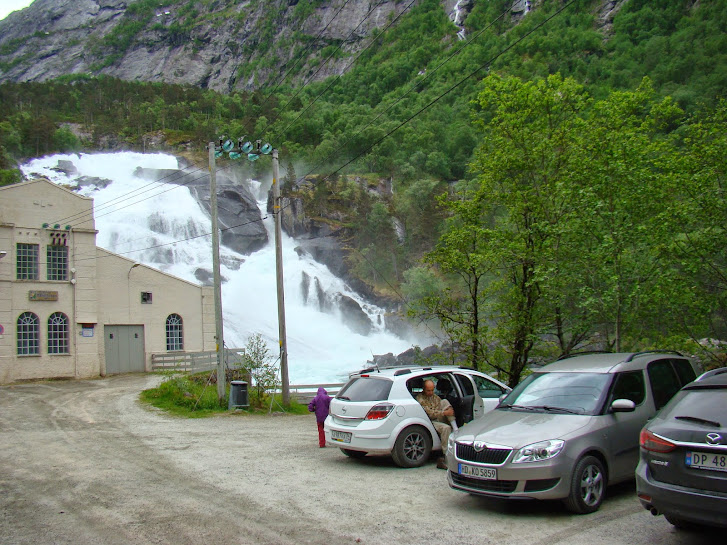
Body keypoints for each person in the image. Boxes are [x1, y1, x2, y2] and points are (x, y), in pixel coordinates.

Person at [416, 379, 456, 469]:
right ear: (423, 389)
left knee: (445, 402)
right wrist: (444, 413)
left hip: (439, 417)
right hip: (430, 421)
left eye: (432, 390)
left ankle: (455, 427)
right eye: (428, 390)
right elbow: (429, 413)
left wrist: (446, 412)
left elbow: (440, 407)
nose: (430, 392)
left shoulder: (435, 397)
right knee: (446, 428)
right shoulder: (420, 398)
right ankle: (446, 457)